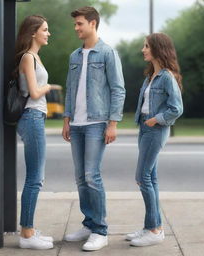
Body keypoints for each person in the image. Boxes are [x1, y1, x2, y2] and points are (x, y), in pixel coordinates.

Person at [62, 6, 125, 251]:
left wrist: (113, 123)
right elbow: (70, 88)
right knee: (80, 178)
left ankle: (100, 230)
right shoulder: (74, 56)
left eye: (79, 24)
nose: (76, 28)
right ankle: (88, 224)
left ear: (93, 23)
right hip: (76, 124)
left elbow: (118, 89)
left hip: (97, 123)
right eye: (75, 24)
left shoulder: (108, 53)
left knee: (92, 175)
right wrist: (67, 119)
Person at [126, 33, 183, 247]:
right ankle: (151, 226)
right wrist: (144, 122)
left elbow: (176, 108)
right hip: (145, 127)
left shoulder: (167, 77)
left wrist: (155, 120)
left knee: (142, 177)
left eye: (147, 46)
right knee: (151, 177)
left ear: (158, 49)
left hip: (155, 129)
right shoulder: (150, 76)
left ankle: (154, 230)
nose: (143, 49)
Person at [15, 15, 54, 250]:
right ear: (33, 33)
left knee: (35, 177)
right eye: (45, 30)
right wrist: (48, 87)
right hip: (31, 117)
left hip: (35, 117)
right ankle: (27, 234)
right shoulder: (28, 58)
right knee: (35, 179)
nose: (48, 33)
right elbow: (34, 92)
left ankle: (28, 229)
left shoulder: (35, 57)